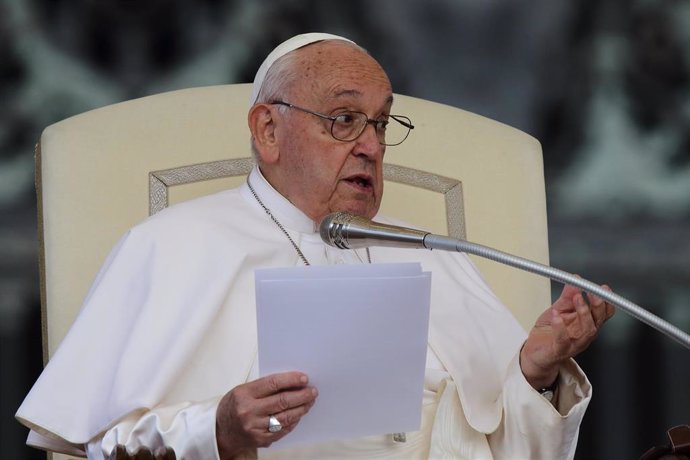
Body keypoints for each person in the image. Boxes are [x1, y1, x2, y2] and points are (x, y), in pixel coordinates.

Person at [17, 32, 614, 459]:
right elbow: (96, 445)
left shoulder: (431, 251)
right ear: (268, 130)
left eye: (380, 124)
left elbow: (516, 449)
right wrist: (219, 431)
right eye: (344, 119)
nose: (373, 147)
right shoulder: (170, 246)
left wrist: (534, 373)